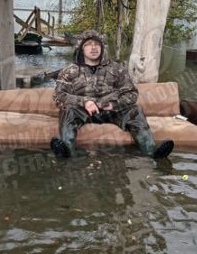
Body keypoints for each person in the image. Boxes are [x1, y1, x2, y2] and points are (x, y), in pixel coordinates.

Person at [50, 29, 174, 159]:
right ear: (81, 48)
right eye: (88, 44)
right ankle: (67, 152)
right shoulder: (69, 71)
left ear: (102, 48)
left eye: (97, 44)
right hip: (83, 111)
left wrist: (113, 105)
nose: (93, 48)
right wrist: (85, 102)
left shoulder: (117, 69)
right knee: (68, 110)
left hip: (113, 112)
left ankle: (152, 151)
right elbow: (59, 95)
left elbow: (131, 94)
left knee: (135, 110)